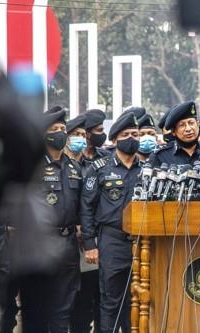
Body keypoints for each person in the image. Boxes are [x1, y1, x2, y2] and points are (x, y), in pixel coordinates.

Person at [19, 106, 81, 333]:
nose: (61, 133)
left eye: (63, 129)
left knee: (63, 307)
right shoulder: (32, 166)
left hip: (68, 243)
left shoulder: (74, 167)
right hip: (39, 244)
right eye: (54, 129)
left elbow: (81, 206)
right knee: (36, 307)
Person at [80, 112, 142, 333]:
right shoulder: (100, 168)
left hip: (141, 244)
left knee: (136, 300)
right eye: (126, 134)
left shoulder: (147, 169)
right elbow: (86, 207)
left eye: (135, 134)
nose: (132, 138)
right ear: (115, 140)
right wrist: (90, 244)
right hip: (111, 240)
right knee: (110, 301)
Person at [64, 114, 100, 333]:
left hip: (86, 242)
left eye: (82, 135)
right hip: (62, 239)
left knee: (84, 301)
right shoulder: (57, 165)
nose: (79, 139)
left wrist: (86, 231)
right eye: (74, 135)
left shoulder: (91, 166)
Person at [147, 101, 200, 168]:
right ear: (173, 132)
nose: (188, 129)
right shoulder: (160, 155)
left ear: (197, 124)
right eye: (182, 125)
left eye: (191, 123)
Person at [82, 109, 110, 173]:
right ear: (87, 134)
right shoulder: (75, 157)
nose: (103, 134)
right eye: (99, 130)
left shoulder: (107, 156)